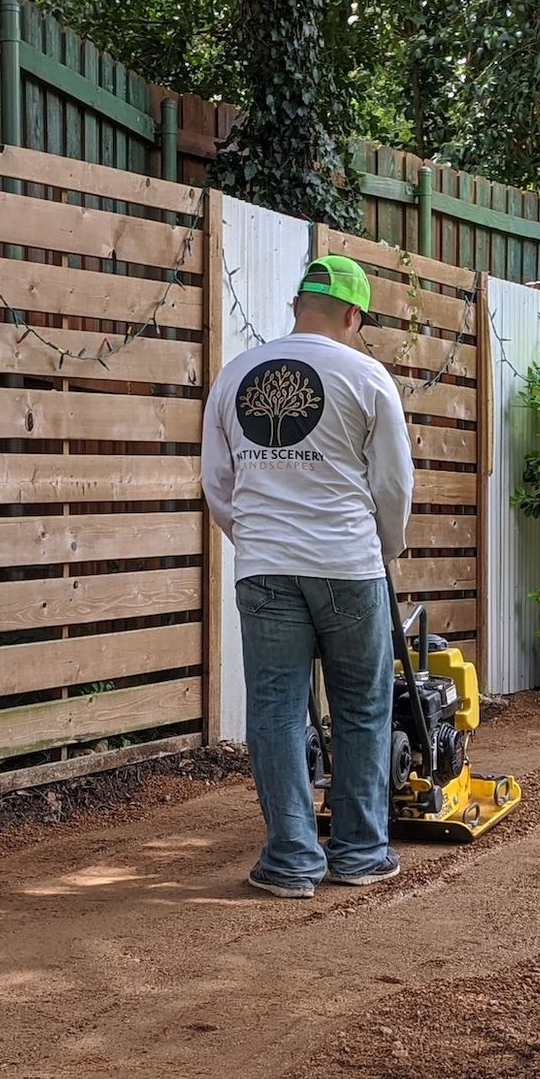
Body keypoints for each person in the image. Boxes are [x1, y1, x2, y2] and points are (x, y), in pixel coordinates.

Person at [201, 255, 416, 898]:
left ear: (298, 306)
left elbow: (217, 481)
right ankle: (358, 852)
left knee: (274, 711)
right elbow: (393, 482)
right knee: (362, 706)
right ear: (354, 315)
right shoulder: (367, 374)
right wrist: (387, 547)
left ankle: (292, 861)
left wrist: (257, 541)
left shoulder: (236, 373)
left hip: (265, 568)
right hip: (349, 565)